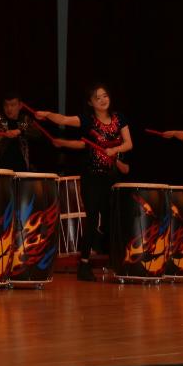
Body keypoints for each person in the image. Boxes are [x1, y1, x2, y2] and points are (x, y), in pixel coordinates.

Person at [37, 83, 132, 281]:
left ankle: (117, 259)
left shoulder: (119, 118)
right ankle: (84, 264)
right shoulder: (88, 121)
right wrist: (47, 114)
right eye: (98, 97)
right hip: (91, 177)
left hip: (111, 177)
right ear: (90, 102)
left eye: (105, 96)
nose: (103, 100)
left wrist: (114, 150)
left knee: (111, 219)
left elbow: (129, 143)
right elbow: (64, 120)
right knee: (92, 218)